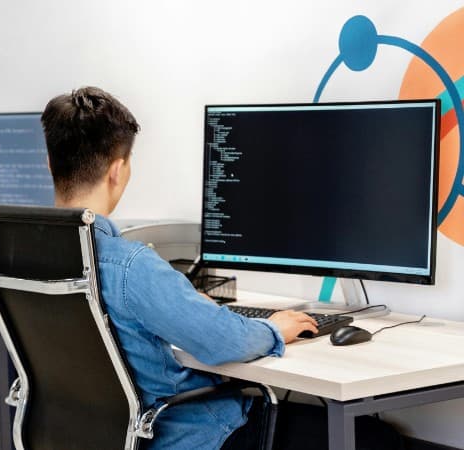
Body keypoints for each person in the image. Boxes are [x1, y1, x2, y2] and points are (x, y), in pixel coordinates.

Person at [40, 87, 403, 450]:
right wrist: (273, 328)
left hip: (88, 436)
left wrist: (186, 304)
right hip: (184, 434)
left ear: (49, 163)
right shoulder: (130, 266)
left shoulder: (20, 257)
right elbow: (222, 342)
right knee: (374, 440)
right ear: (118, 170)